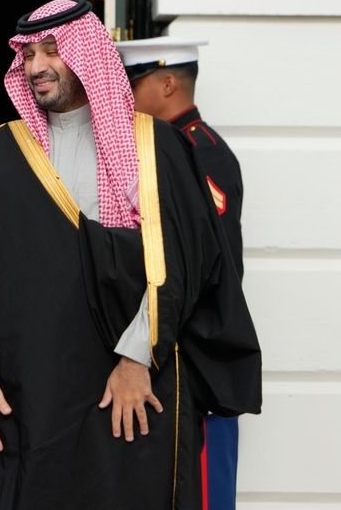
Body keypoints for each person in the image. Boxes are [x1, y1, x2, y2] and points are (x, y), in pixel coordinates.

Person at [0, 0, 261, 509]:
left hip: (131, 387)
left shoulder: (157, 147)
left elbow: (185, 262)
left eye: (52, 51)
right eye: (27, 55)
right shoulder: (1, 151)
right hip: (31, 389)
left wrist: (137, 359)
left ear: (87, 55)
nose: (37, 66)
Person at [116, 36, 244, 510]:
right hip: (172, 355)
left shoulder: (196, 151)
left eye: (134, 81)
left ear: (168, 82)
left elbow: (200, 266)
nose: (125, 94)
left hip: (197, 360)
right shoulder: (168, 147)